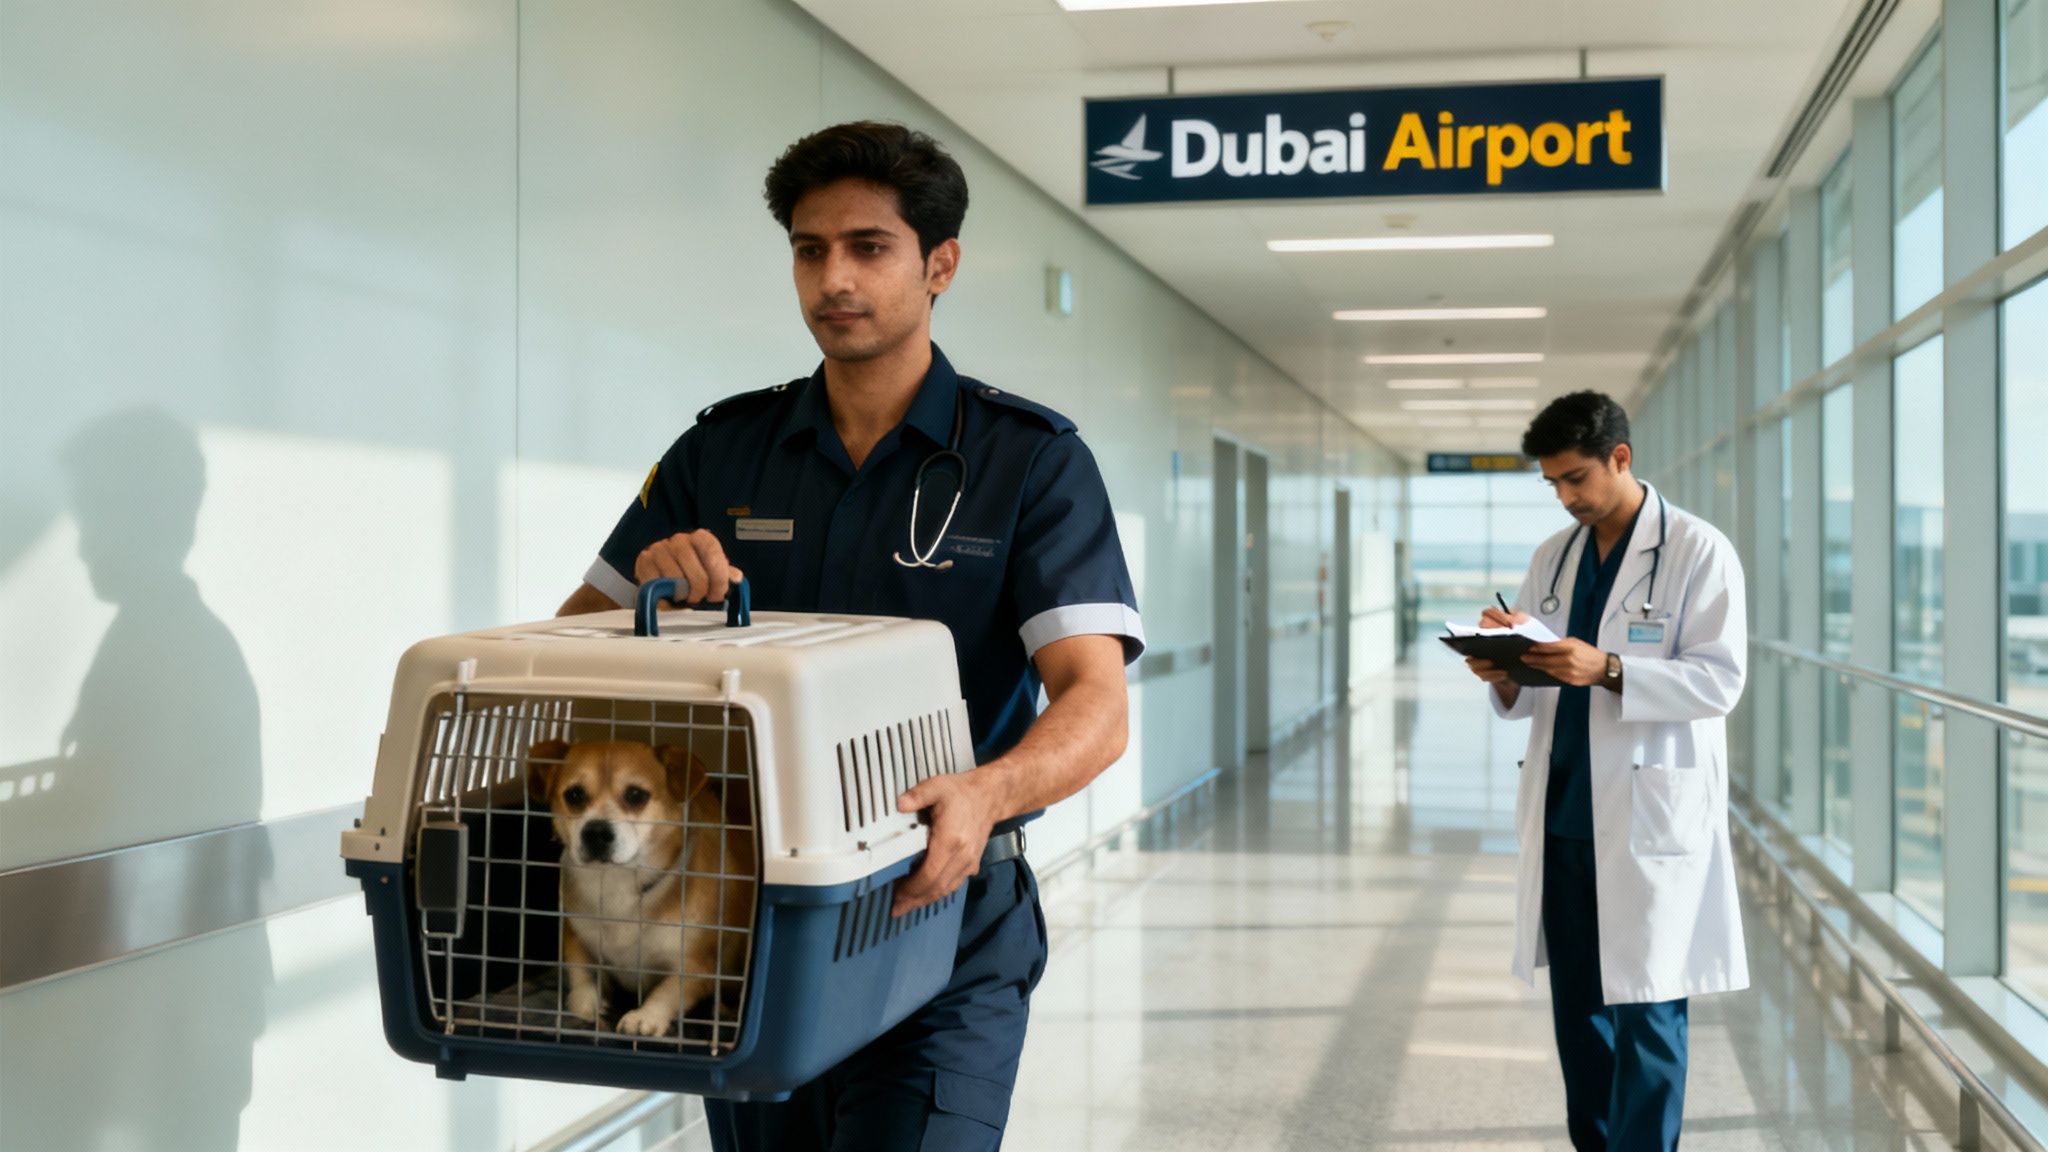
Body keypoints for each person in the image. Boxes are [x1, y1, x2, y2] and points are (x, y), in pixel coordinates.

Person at [557, 121, 1143, 1151]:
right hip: (753, 918)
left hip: (941, 909)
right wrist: (642, 593)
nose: (834, 276)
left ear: (939, 265)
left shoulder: (1027, 461)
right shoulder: (721, 452)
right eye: (808, 248)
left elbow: (1094, 700)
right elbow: (568, 647)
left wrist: (986, 791)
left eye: (868, 247)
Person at [1463, 391, 1747, 1152]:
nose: (1567, 497)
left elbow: (1721, 681)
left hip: (1649, 818)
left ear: (1621, 458)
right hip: (1563, 818)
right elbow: (1532, 689)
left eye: (1578, 478)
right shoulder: (1552, 556)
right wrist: (1503, 670)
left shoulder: (1697, 549)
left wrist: (1613, 668)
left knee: (1650, 1012)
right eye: (1552, 483)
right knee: (1580, 1017)